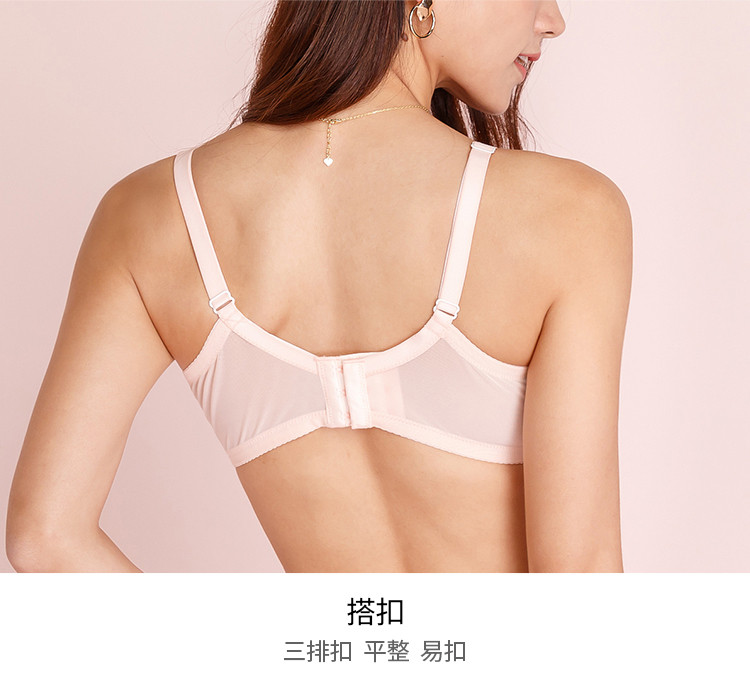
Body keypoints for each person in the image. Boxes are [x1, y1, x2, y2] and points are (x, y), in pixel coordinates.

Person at [6, 0, 631, 573]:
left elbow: (45, 537)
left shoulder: (151, 215)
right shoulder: (570, 214)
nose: (553, 20)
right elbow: (582, 578)